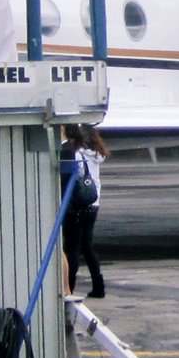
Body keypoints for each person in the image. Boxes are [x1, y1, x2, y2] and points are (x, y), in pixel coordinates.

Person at [60, 125, 107, 299]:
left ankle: (69, 287)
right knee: (87, 247)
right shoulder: (97, 155)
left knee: (72, 248)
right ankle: (99, 286)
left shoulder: (75, 153)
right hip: (94, 203)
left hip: (79, 205)